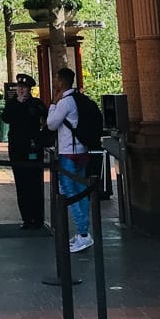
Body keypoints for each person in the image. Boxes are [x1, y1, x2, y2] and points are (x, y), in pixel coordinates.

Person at [46, 67, 93, 253]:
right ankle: (84, 231)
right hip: (81, 149)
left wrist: (52, 105)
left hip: (68, 151)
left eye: (56, 78)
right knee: (81, 190)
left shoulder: (65, 102)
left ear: (62, 82)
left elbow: (51, 124)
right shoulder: (78, 99)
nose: (54, 81)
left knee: (70, 191)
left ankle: (83, 234)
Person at [1, 73, 48, 231]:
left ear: (29, 89)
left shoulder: (37, 104)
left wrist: (41, 138)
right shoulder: (12, 103)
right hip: (17, 149)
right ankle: (27, 218)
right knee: (21, 185)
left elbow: (47, 119)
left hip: (33, 148)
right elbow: (6, 118)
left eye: (24, 88)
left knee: (35, 183)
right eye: (19, 88)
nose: (20, 90)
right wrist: (17, 104)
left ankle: (38, 218)